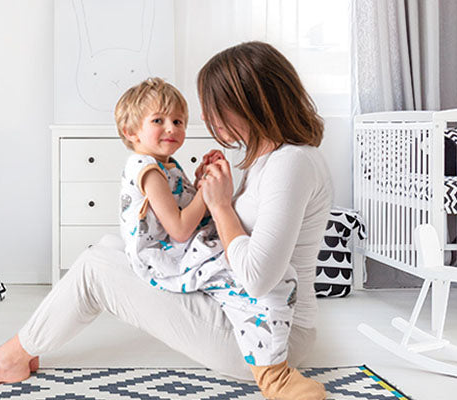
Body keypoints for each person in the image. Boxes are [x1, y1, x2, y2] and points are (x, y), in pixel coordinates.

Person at [0, 41, 332, 400]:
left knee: (95, 269)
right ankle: (32, 343)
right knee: (107, 249)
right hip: (247, 315)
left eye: (215, 108)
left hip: (266, 339)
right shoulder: (271, 159)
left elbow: (259, 275)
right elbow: (236, 238)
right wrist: (213, 196)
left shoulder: (291, 164)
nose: (206, 118)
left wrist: (219, 206)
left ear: (249, 104)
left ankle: (11, 357)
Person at [113, 77, 319, 398]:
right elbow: (180, 230)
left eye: (178, 121)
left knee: (267, 275)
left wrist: (201, 182)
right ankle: (273, 375)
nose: (172, 128)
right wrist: (208, 196)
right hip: (164, 257)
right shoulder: (148, 171)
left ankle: (273, 355)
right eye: (158, 120)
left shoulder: (162, 164)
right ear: (131, 131)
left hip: (179, 247)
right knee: (242, 284)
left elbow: (184, 209)